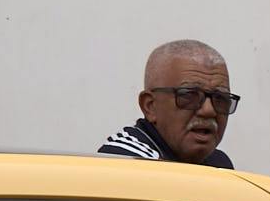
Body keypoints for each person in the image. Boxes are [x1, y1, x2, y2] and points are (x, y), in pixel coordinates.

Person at [98, 39, 240, 169]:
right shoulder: (125, 161)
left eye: (220, 98)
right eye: (189, 95)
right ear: (150, 106)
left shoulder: (218, 163)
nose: (209, 110)